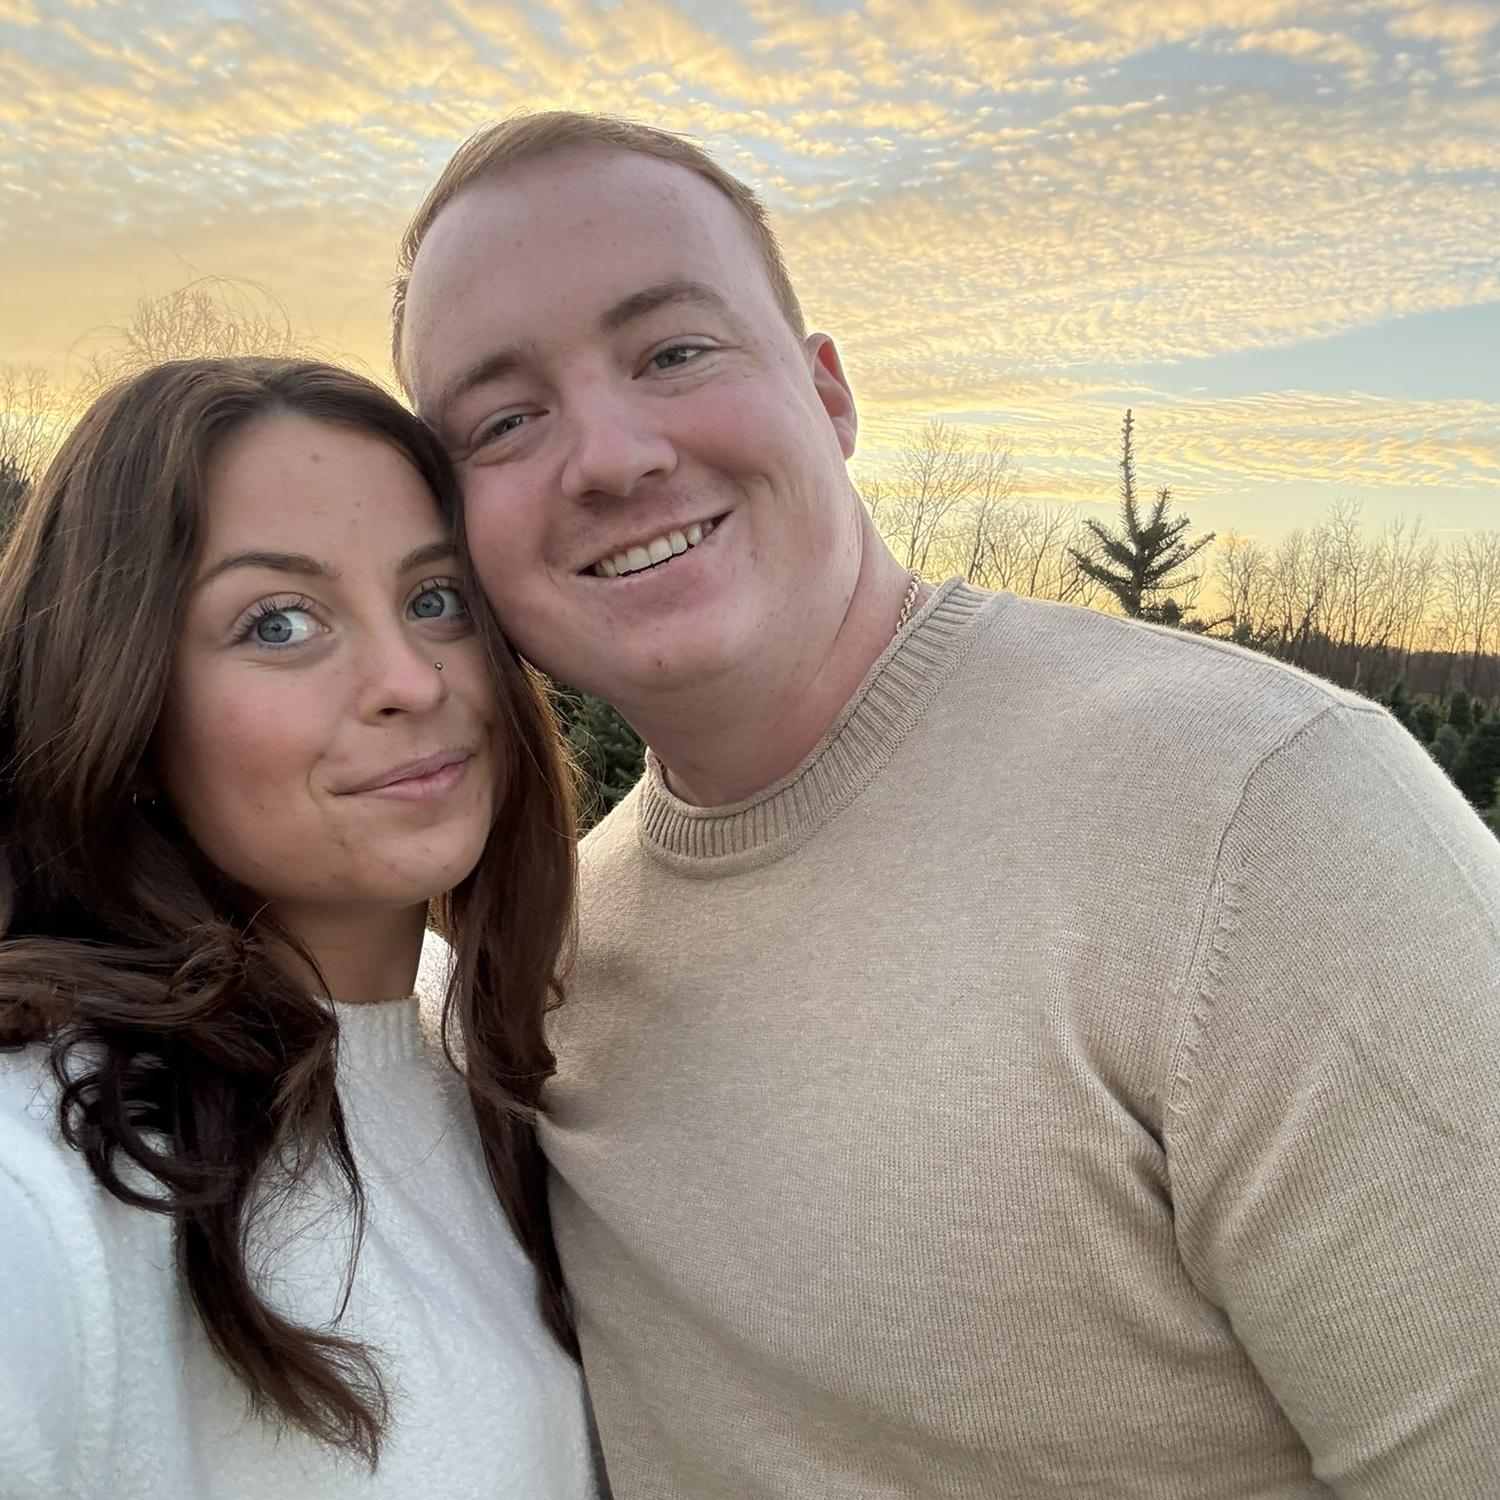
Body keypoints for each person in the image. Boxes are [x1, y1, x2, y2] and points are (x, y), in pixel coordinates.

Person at [392, 113, 1500, 1499]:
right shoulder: (548, 970)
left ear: (829, 395)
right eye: (504, 421)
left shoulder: (1264, 820)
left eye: (673, 351)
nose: (610, 457)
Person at [0, 358, 598, 1499]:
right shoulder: (53, 1157)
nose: (410, 679)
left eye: (436, 598)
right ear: (125, 712)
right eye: (278, 622)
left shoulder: (488, 1050)